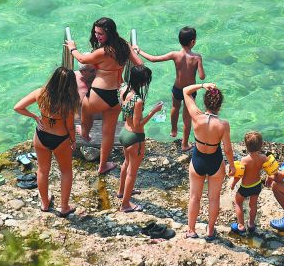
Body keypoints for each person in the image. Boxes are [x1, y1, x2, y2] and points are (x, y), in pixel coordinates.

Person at [66, 18, 142, 175]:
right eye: (95, 32)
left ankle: (84, 132)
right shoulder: (124, 46)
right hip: (119, 94)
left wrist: (72, 48)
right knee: (108, 132)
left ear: (109, 33)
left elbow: (82, 59)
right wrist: (133, 52)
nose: (97, 36)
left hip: (100, 92)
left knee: (85, 110)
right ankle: (103, 165)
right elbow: (139, 64)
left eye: (100, 33)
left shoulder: (104, 51)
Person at [13, 67, 80, 217]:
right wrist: (73, 140)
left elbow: (18, 107)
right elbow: (70, 126)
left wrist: (35, 117)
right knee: (66, 171)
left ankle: (44, 203)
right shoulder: (68, 103)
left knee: (43, 170)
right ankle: (64, 207)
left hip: (41, 136)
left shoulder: (40, 93)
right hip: (60, 139)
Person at [135, 26, 205, 151]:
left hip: (177, 88)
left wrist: (139, 51)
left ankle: (173, 130)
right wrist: (199, 64)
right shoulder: (197, 57)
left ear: (180, 41)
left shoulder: (175, 54)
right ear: (193, 42)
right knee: (187, 118)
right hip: (190, 91)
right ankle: (184, 144)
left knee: (175, 107)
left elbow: (153, 59)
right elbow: (201, 76)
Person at [182, 82, 235, 242]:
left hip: (198, 160)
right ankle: (210, 231)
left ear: (205, 102)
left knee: (194, 197)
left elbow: (185, 91)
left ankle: (191, 230)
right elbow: (227, 150)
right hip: (215, 161)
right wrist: (232, 166)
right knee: (214, 198)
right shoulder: (223, 125)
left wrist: (203, 85)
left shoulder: (196, 117)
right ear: (220, 105)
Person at [116, 65, 163, 213]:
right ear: (142, 81)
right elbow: (138, 125)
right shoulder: (137, 101)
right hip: (135, 137)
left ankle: (121, 191)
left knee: (126, 163)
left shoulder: (122, 88)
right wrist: (153, 112)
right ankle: (125, 205)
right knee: (132, 172)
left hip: (124, 132)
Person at [229, 131, 268, 236]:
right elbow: (270, 169)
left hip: (245, 187)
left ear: (246, 146)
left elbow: (238, 175)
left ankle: (241, 226)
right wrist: (269, 178)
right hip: (257, 185)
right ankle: (251, 224)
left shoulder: (244, 160)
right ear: (261, 145)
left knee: (238, 202)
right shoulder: (263, 158)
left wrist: (233, 184)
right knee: (253, 204)